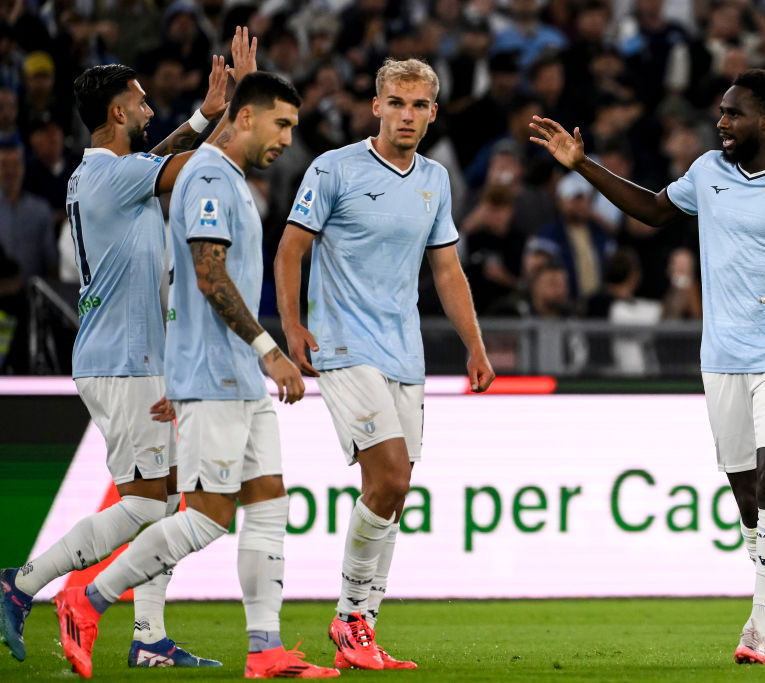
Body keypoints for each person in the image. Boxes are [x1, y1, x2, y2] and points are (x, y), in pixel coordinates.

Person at [530, 68, 765, 665]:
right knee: (746, 500)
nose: (721, 123)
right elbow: (657, 212)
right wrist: (582, 164)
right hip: (721, 357)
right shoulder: (708, 172)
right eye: (721, 112)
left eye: (734, 113)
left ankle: (756, 630)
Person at [48, 71, 339, 680]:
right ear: (247, 118)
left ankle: (265, 651)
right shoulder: (207, 175)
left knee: (267, 506)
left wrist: (210, 111)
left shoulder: (221, 174)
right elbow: (208, 275)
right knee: (207, 515)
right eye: (281, 123)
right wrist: (268, 348)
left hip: (234, 374)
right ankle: (86, 598)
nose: (288, 138)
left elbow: (157, 171)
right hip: (215, 372)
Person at [0, 27, 259, 669]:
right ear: (118, 112)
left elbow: (173, 151)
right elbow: (195, 164)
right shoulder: (114, 178)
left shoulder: (106, 173)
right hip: (122, 360)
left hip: (131, 357)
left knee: (167, 501)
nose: (150, 110)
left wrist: (208, 111)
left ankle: (149, 638)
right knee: (146, 502)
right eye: (142, 101)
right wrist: (239, 106)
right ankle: (25, 584)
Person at [275, 57, 495, 671]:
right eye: (396, 102)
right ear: (376, 106)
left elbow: (446, 269)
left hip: (405, 354)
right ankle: (348, 617)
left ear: (432, 112)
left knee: (391, 494)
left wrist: (475, 345)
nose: (407, 114)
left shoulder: (434, 179)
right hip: (343, 347)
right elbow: (291, 249)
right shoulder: (334, 168)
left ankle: (363, 628)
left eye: (419, 104)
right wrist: (293, 326)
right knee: (392, 477)